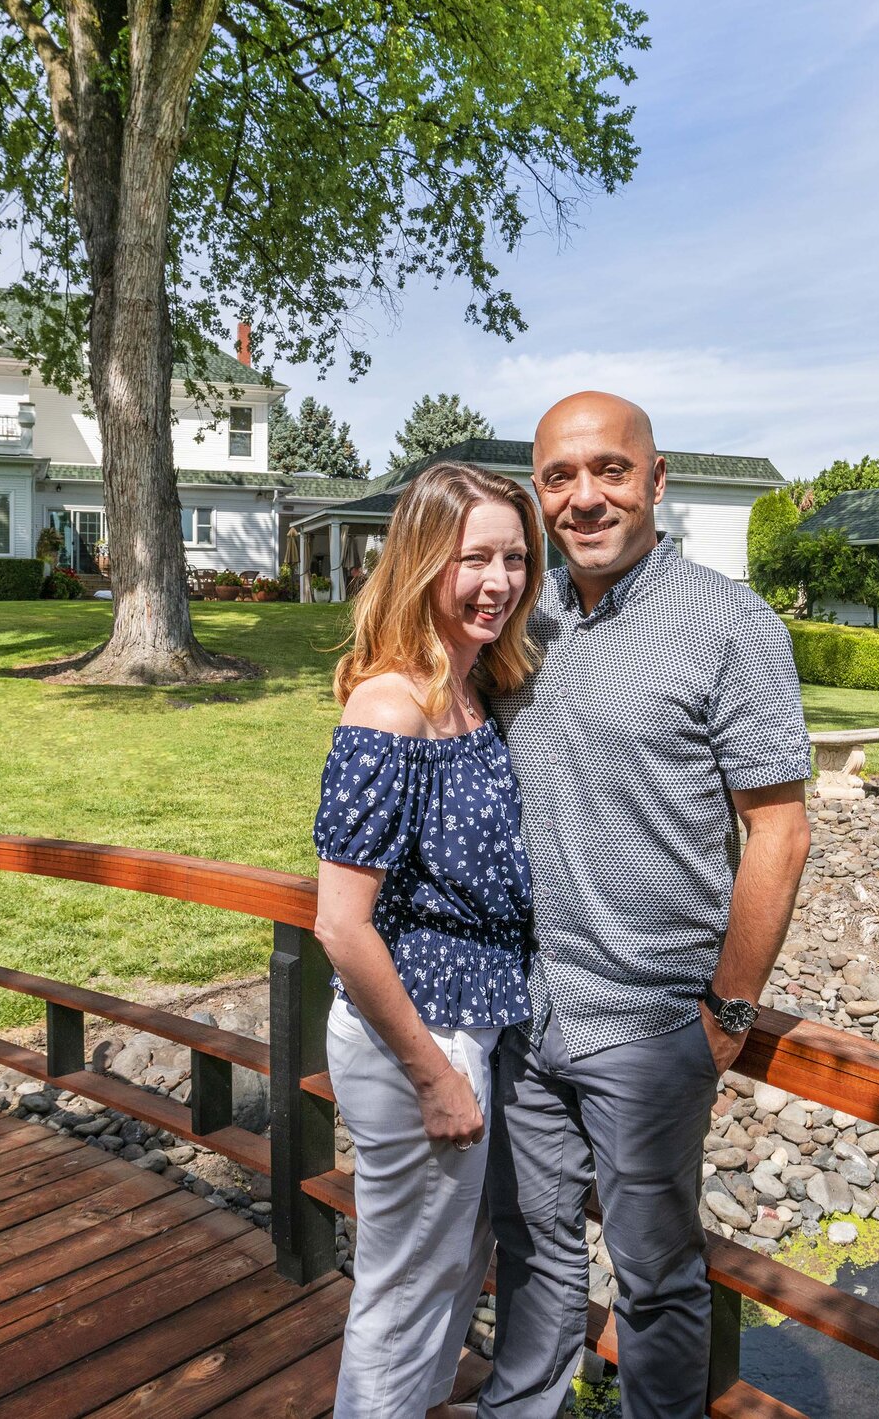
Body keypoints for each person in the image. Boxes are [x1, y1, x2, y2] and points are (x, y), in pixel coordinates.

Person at [481, 393, 814, 1419]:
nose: (584, 498)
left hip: (649, 1027)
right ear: (540, 496)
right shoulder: (521, 618)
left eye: (609, 470)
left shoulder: (729, 625)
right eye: (559, 478)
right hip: (526, 1009)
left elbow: (779, 830)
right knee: (530, 1252)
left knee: (658, 1280)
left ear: (657, 480)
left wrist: (728, 1010)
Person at [311, 461, 544, 1419]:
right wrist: (434, 1074)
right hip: (419, 1033)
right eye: (475, 558)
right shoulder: (392, 704)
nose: (501, 581)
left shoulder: (473, 685)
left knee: (450, 1271)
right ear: (422, 562)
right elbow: (340, 922)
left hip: (468, 1022)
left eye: (516, 559)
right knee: (407, 1289)